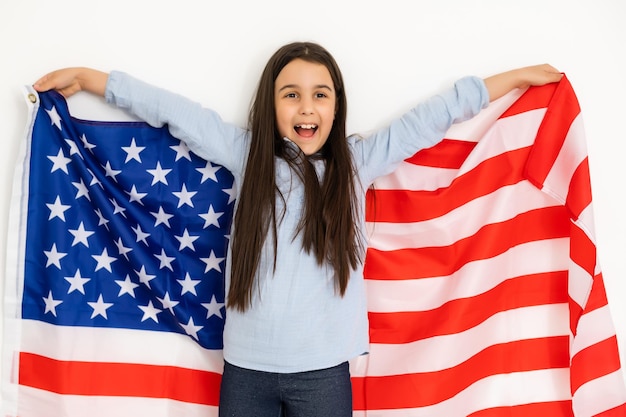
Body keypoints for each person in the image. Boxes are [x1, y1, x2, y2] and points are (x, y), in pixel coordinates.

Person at [33, 41, 562, 417]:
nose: (306, 106)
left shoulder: (358, 162)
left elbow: (431, 117)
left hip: (323, 374)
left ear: (336, 106)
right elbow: (177, 114)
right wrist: (95, 78)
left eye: (320, 94)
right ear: (271, 103)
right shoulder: (247, 155)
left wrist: (511, 79)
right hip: (245, 372)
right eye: (291, 94)